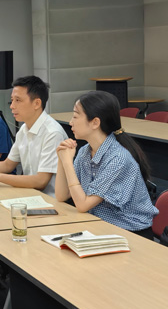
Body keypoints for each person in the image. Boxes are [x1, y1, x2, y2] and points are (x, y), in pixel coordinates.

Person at [55, 90, 158, 237]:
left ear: (95, 122)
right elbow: (61, 195)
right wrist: (61, 159)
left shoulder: (118, 158)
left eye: (76, 116)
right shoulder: (85, 151)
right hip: (100, 224)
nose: (71, 122)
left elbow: (83, 205)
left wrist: (67, 163)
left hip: (130, 232)